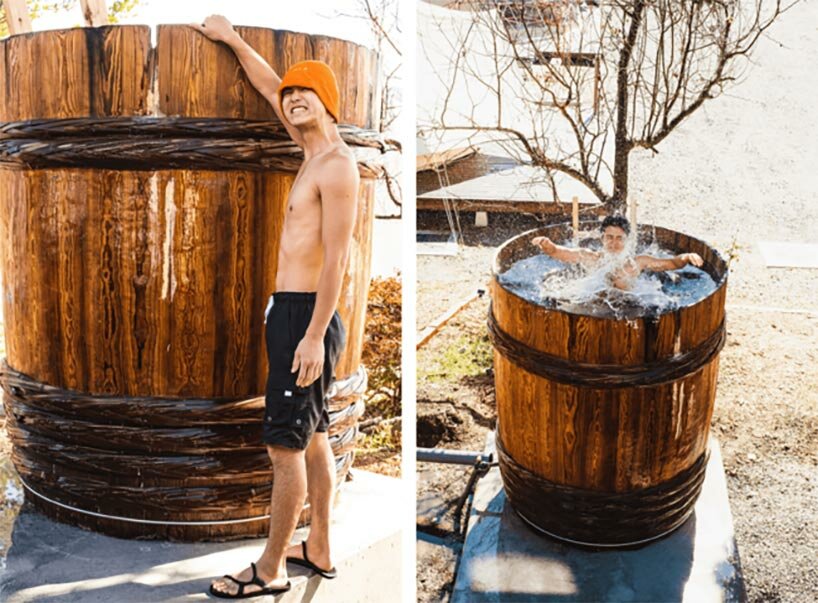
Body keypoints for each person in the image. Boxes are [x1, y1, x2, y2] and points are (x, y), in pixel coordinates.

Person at [190, 15, 359, 599]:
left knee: (282, 446)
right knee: (312, 437)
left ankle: (270, 570)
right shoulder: (310, 152)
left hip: (306, 316)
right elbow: (267, 84)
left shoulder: (337, 166)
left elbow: (338, 259)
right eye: (289, 98)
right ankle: (320, 547)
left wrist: (311, 335)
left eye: (303, 95)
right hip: (292, 311)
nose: (290, 102)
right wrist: (232, 39)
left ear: (328, 102)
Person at [532, 215, 703, 290]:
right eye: (609, 237)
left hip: (628, 309)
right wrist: (547, 245)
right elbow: (561, 253)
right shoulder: (591, 257)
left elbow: (672, 263)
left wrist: (687, 256)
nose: (614, 243)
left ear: (627, 240)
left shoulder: (638, 263)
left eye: (619, 238)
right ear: (602, 238)